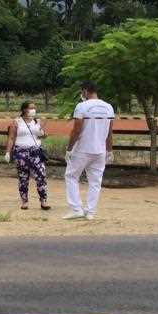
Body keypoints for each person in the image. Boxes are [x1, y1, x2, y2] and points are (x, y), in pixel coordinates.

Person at [63, 81, 114, 221]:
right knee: (95, 182)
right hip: (100, 151)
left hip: (83, 149)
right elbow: (109, 133)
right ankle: (91, 212)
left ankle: (76, 209)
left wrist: (69, 149)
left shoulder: (81, 106)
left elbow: (76, 130)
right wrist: (109, 150)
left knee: (71, 176)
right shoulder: (109, 107)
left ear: (85, 91)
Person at [3, 101, 50, 211]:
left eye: (34, 108)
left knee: (41, 175)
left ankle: (43, 201)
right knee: (23, 177)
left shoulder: (37, 121)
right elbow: (11, 138)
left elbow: (43, 135)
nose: (33, 110)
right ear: (24, 109)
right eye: (31, 108)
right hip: (21, 152)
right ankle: (24, 201)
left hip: (36, 152)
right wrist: (8, 152)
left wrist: (42, 133)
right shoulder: (17, 122)